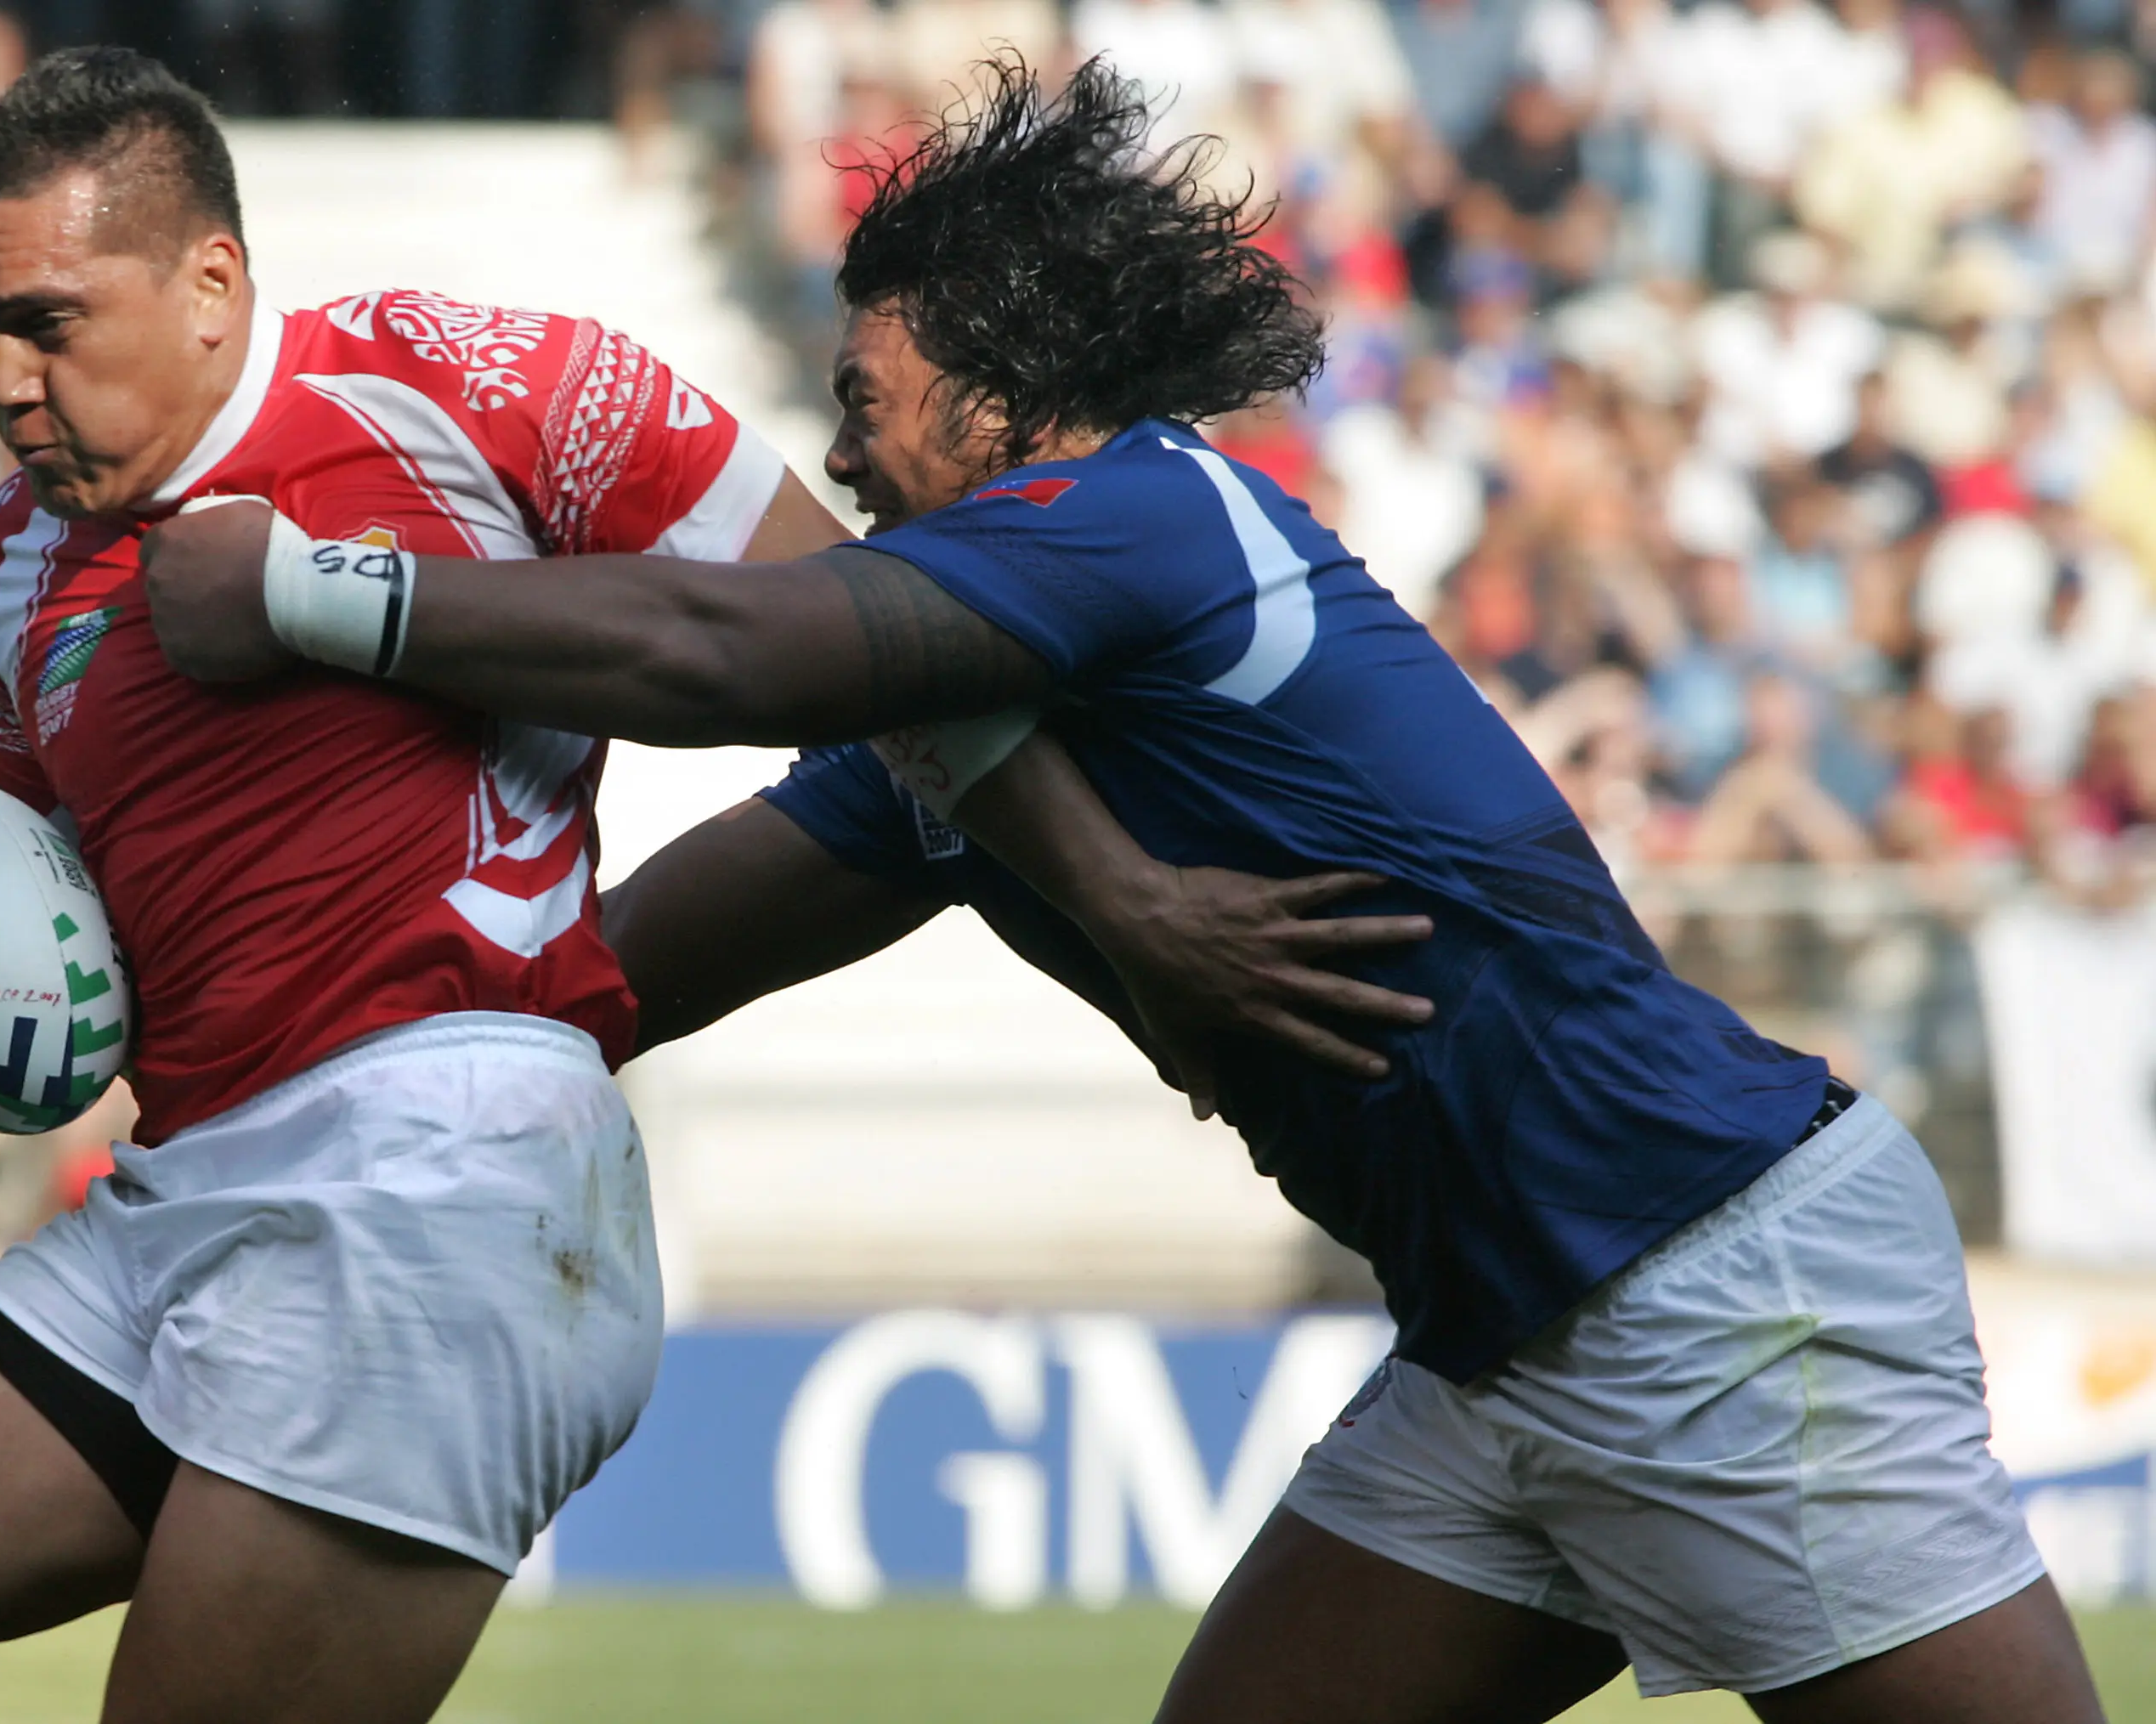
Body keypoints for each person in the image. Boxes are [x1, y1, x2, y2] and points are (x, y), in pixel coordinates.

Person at [143, 58, 2105, 1723]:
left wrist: (316, 592)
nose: (836, 448)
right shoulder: (964, 754)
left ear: (1006, 396)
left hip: (1709, 1283)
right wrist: (221, 1034)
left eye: (869, 391)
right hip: (1496, 1337)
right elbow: (613, 975)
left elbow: (715, 654)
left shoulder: (1141, 519)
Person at [0, 48, 1429, 1724]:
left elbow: (873, 653)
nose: (8, 379)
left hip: (439, 1179)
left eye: (47, 322)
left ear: (210, 287)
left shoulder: (470, 384)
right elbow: (88, 989)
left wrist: (1127, 901)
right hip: (183, 1189)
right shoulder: (2, 575)